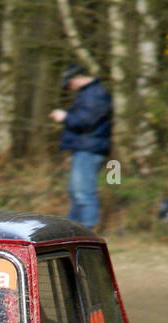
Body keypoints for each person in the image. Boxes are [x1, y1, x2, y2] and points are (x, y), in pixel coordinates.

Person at [49, 64, 112, 230]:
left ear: (77, 78)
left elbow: (86, 121)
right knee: (75, 191)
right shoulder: (88, 93)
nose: (69, 88)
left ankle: (87, 229)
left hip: (89, 149)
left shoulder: (95, 94)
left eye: (69, 84)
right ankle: (73, 229)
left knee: (83, 192)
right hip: (84, 148)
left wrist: (65, 117)